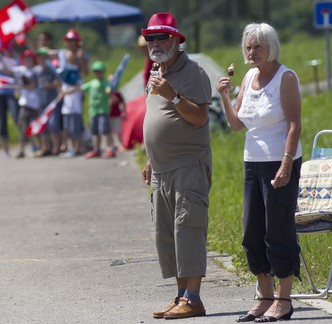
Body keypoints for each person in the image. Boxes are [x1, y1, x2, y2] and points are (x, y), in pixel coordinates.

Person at [216, 22, 302, 323]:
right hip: (252, 162)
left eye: (257, 47)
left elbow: (294, 125)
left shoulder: (286, 77)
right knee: (252, 231)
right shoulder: (250, 76)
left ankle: (284, 299)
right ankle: (264, 297)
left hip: (280, 160)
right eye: (248, 47)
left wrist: (287, 164)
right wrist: (225, 97)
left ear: (271, 47)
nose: (251, 52)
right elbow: (238, 124)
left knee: (277, 230)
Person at [139, 12, 212, 320]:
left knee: (188, 229)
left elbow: (199, 118)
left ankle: (193, 298)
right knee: (167, 234)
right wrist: (150, 158)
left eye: (161, 37)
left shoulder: (192, 72)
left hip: (187, 164)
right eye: (150, 38)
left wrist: (174, 95)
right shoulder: (156, 71)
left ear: (176, 40)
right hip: (163, 168)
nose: (154, 44)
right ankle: (181, 296)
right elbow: (156, 120)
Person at [57, 29, 89, 157]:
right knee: (67, 120)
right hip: (65, 88)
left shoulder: (82, 54)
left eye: (72, 41)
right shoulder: (63, 54)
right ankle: (71, 146)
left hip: (76, 88)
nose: (70, 43)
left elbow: (85, 72)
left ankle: (79, 146)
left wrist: (79, 58)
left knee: (76, 119)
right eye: (68, 41)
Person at [82, 61, 115, 159]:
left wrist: (109, 91)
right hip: (93, 110)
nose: (97, 73)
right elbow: (82, 88)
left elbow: (108, 90)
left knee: (105, 130)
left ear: (103, 72)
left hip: (103, 110)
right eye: (96, 71)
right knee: (95, 132)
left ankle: (110, 148)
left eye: (99, 71)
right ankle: (96, 149)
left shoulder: (105, 82)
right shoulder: (92, 83)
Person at [13, 49, 41, 158]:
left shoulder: (36, 71)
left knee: (37, 128)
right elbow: (8, 70)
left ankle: (40, 147)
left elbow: (32, 86)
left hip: (35, 103)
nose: (28, 60)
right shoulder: (21, 70)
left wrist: (21, 86)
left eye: (30, 58)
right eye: (26, 58)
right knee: (23, 128)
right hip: (25, 103)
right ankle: (22, 150)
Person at [35, 47, 61, 156]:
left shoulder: (51, 69)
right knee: (42, 126)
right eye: (39, 56)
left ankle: (56, 147)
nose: (41, 58)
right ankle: (45, 147)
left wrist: (49, 85)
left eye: (42, 56)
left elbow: (58, 83)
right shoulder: (36, 70)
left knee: (53, 125)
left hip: (51, 101)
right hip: (41, 101)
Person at [108, 84, 126, 151]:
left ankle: (120, 144)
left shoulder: (117, 93)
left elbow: (122, 102)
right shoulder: (107, 93)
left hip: (117, 115)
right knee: (110, 131)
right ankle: (112, 145)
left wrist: (124, 112)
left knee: (118, 130)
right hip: (109, 115)